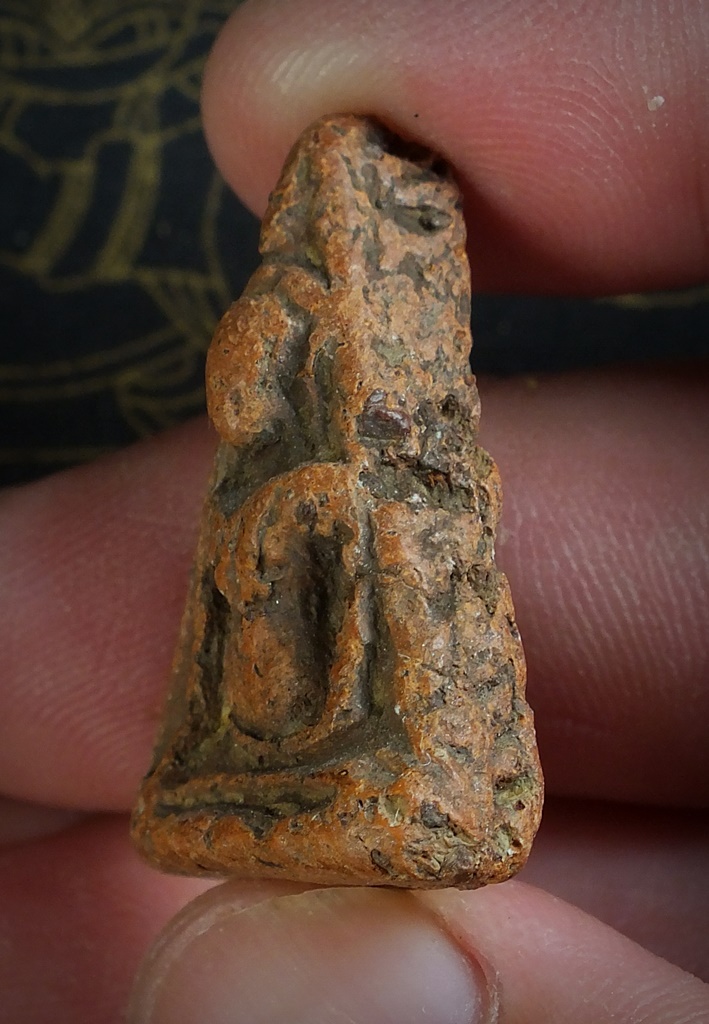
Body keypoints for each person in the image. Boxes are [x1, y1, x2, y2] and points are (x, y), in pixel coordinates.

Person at [1, 2, 707, 1021]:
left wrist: (316, 528)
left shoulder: (323, 480)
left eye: (253, 387)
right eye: (229, 395)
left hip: (340, 687)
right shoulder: (252, 483)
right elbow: (218, 625)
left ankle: (336, 758)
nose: (239, 410)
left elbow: (358, 551)